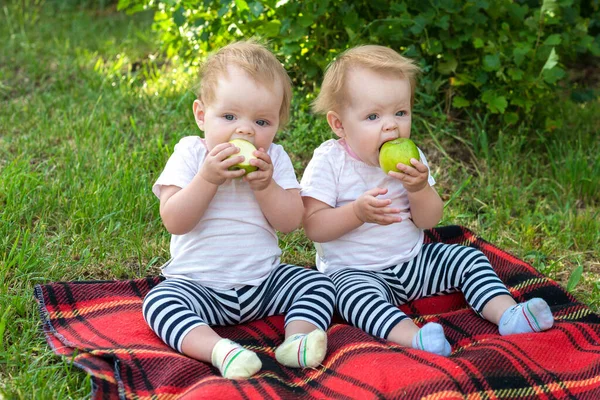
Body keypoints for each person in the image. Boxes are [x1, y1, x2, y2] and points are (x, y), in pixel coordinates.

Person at [300, 45, 553, 356]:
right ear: (339, 124)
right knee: (352, 297)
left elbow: (428, 221)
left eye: (400, 112)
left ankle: (509, 314)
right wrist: (357, 212)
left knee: (467, 258)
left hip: (412, 261)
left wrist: (419, 188)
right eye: (373, 116)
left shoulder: (411, 157)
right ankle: (414, 338)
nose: (391, 125)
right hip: (355, 271)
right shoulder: (330, 162)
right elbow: (314, 227)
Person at [143, 40, 336, 379]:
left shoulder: (273, 159)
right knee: (159, 304)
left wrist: (265, 186)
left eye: (261, 122)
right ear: (202, 115)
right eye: (229, 116)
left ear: (278, 124)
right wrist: (207, 178)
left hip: (263, 283)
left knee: (317, 284)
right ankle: (220, 350)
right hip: (198, 286)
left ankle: (296, 343)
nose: (245, 130)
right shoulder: (191, 153)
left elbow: (291, 221)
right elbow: (174, 220)